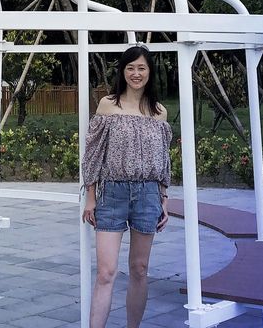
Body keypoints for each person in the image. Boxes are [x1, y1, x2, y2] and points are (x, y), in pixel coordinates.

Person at [81, 45, 171, 328]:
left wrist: (163, 199)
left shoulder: (159, 113)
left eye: (141, 68)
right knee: (106, 272)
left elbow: (163, 161)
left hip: (148, 196)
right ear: (122, 71)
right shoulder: (109, 105)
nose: (136, 73)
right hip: (112, 194)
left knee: (140, 269)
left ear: (150, 72)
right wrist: (91, 196)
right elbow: (93, 153)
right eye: (130, 67)